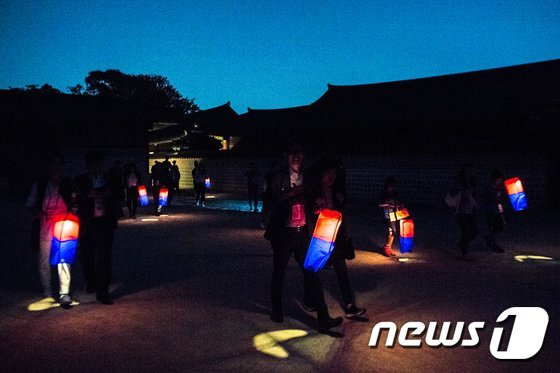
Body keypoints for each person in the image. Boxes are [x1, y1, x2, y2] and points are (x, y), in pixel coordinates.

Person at [263, 143, 342, 331]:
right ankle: (277, 308)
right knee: (279, 272)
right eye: (292, 153)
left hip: (303, 232)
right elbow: (270, 202)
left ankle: (323, 317)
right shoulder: (277, 176)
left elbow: (311, 201)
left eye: (299, 152)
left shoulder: (308, 178)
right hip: (284, 233)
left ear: (304, 155)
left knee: (312, 273)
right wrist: (290, 194)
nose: (296, 156)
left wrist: (316, 206)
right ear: (286, 155)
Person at [307, 158, 365, 318]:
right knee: (313, 268)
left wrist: (344, 230)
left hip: (335, 235)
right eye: (327, 173)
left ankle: (349, 304)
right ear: (321, 175)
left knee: (341, 270)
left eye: (333, 173)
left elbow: (341, 214)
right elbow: (308, 211)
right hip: (319, 237)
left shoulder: (337, 192)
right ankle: (309, 298)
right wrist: (315, 208)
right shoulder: (313, 191)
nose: (331, 176)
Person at [26, 153, 74, 308]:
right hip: (45, 225)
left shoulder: (67, 184)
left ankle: (64, 293)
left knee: (64, 259)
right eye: (53, 164)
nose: (57, 167)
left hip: (64, 225)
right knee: (44, 260)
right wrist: (36, 212)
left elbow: (75, 202)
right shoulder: (40, 185)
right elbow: (30, 204)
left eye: (60, 164)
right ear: (48, 167)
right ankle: (47, 291)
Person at [73, 150, 119, 304]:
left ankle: (103, 291)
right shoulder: (80, 180)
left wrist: (106, 194)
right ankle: (91, 282)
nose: (96, 166)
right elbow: (75, 199)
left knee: (104, 256)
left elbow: (118, 195)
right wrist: (86, 194)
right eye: (93, 163)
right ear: (88, 165)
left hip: (105, 222)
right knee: (87, 255)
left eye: (99, 163)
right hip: (88, 222)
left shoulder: (110, 178)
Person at [448, 163, 479, 258]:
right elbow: (452, 193)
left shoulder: (472, 182)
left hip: (470, 209)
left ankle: (462, 244)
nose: (470, 173)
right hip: (461, 210)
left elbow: (474, 195)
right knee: (466, 231)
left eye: (472, 171)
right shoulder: (459, 182)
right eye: (468, 171)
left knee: (474, 231)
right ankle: (464, 252)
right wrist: (459, 191)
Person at [378, 176, 406, 256]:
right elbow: (379, 204)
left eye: (394, 186)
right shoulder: (384, 193)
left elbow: (399, 201)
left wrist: (401, 205)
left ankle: (388, 247)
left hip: (394, 214)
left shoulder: (395, 193)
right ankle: (387, 247)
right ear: (388, 185)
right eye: (391, 185)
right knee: (392, 230)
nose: (393, 187)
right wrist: (388, 205)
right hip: (386, 215)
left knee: (393, 231)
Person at [483, 170, 506, 253]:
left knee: (500, 227)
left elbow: (500, 200)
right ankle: (494, 244)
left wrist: (501, 210)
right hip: (490, 211)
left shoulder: (499, 188)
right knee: (494, 228)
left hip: (497, 210)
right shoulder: (489, 188)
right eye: (498, 180)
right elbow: (489, 199)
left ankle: (490, 240)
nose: (499, 181)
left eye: (500, 180)